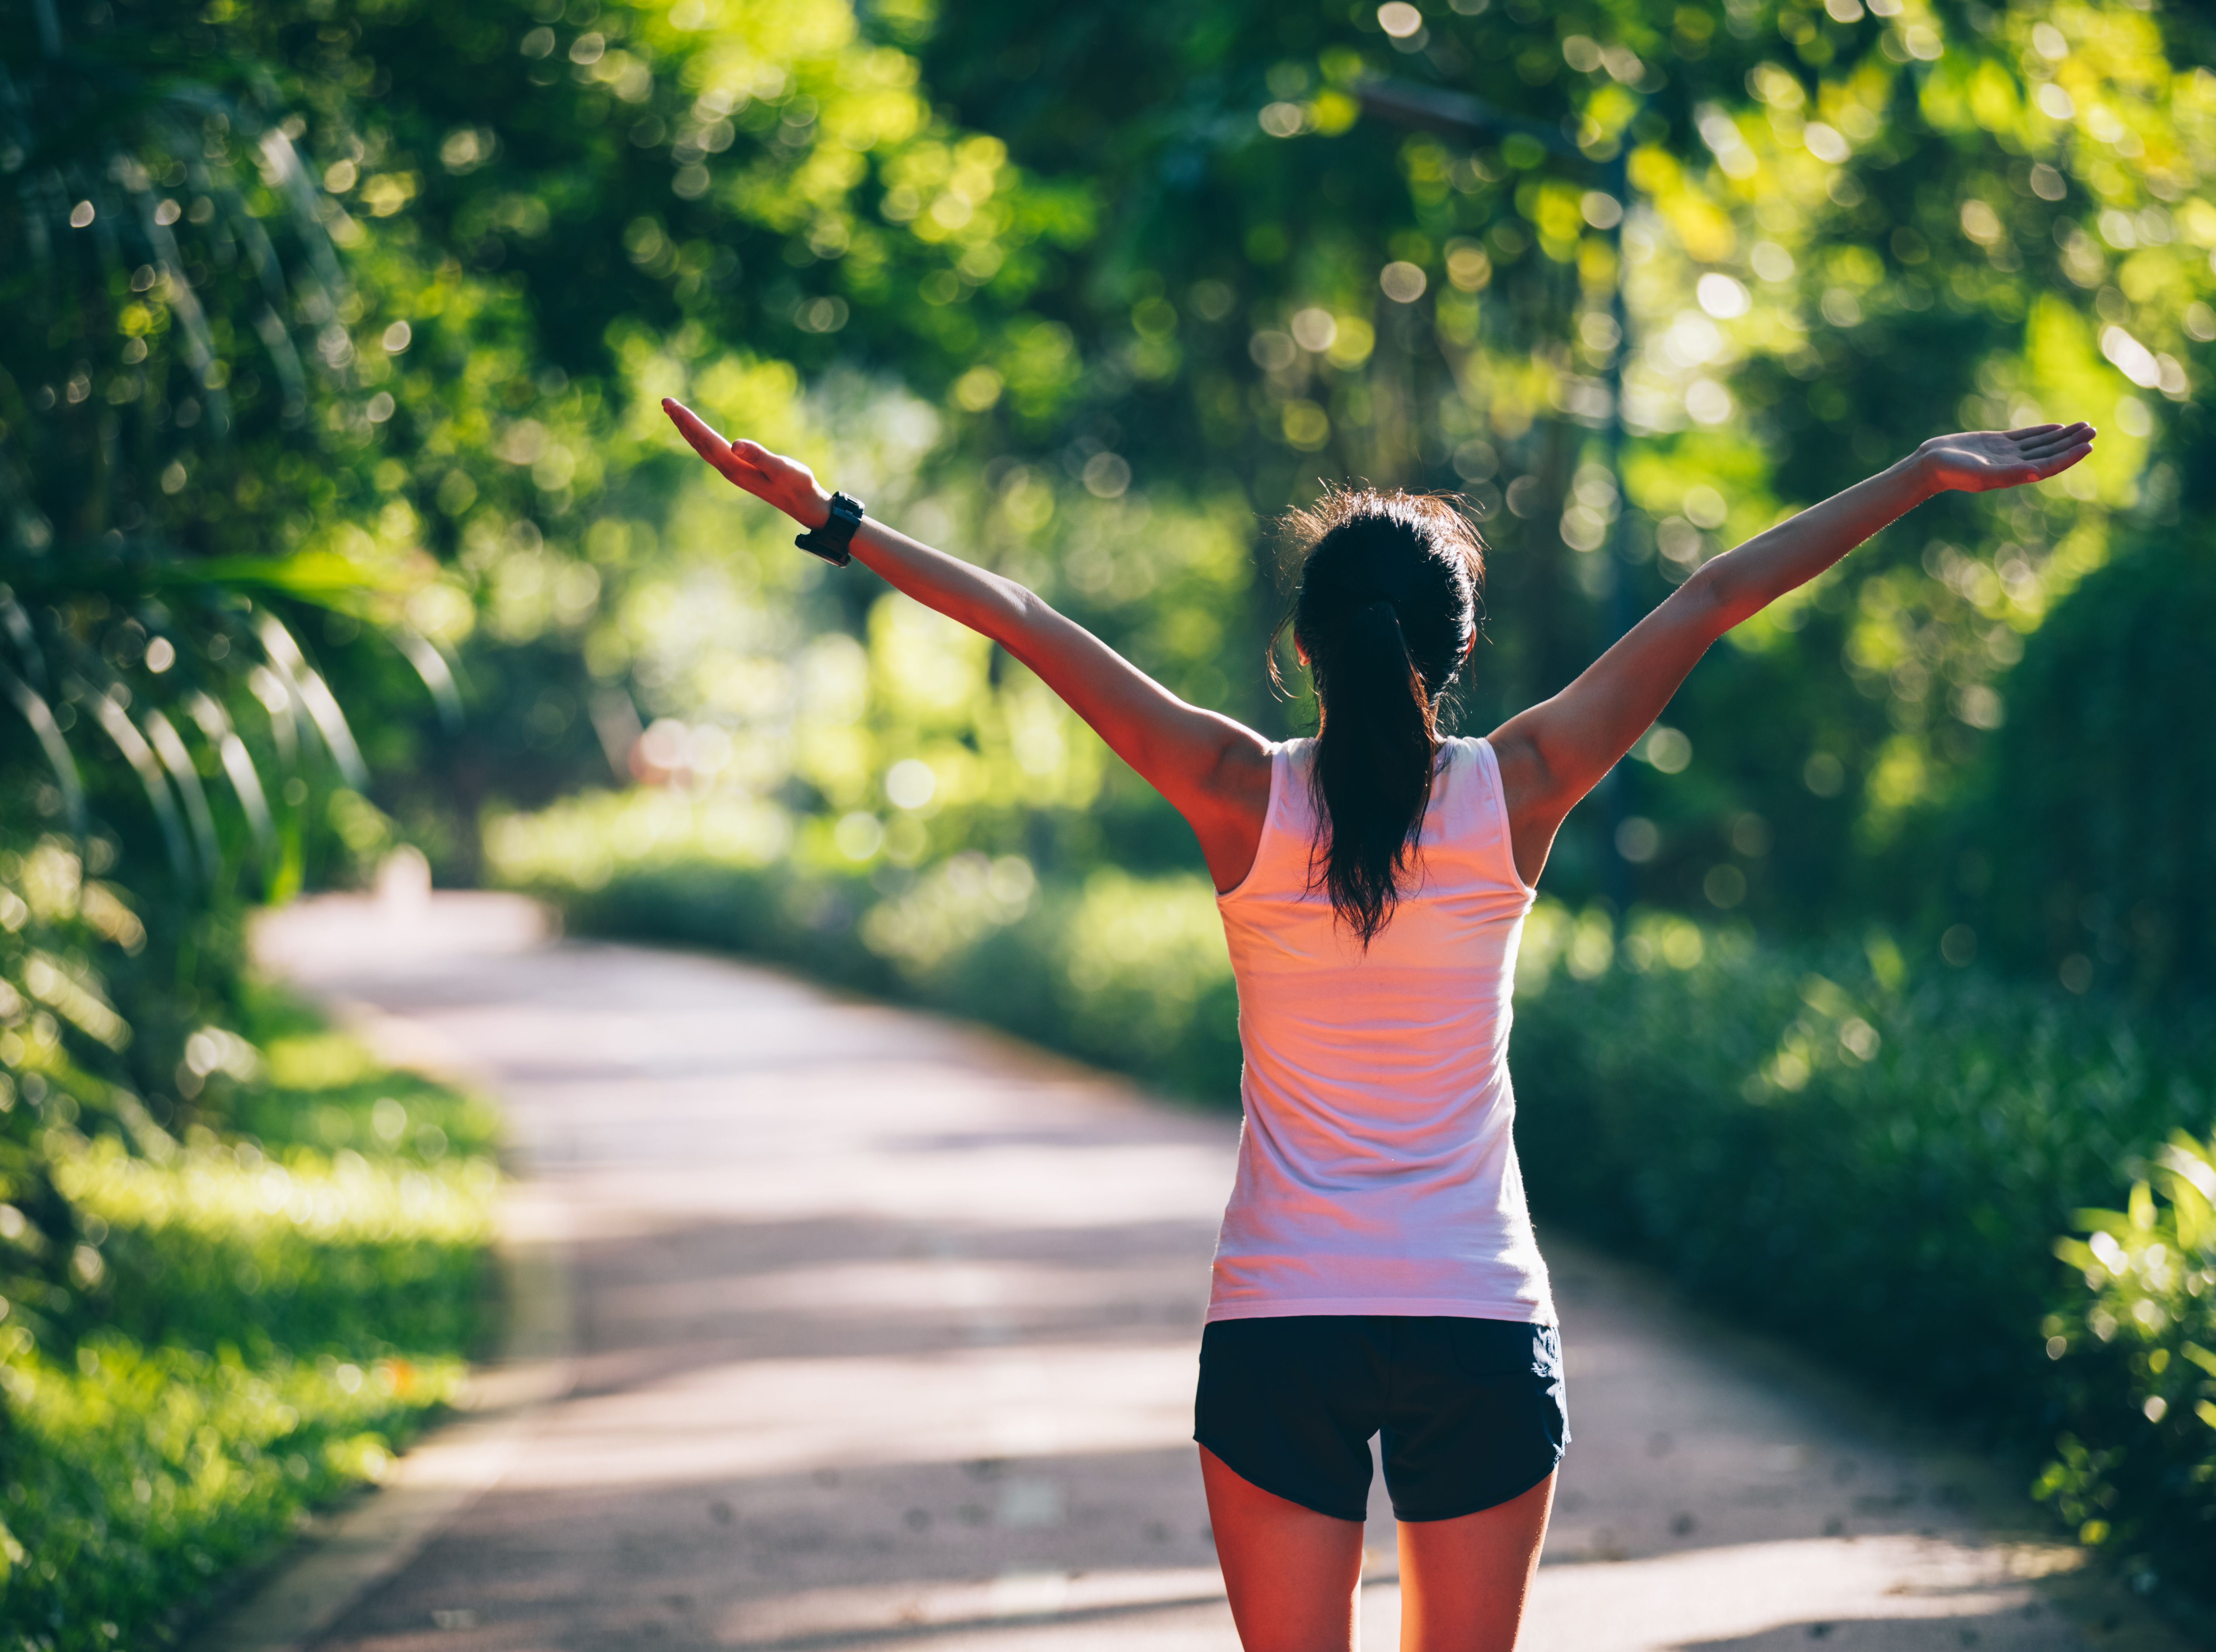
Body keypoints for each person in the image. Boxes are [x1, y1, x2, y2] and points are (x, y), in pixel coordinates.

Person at [663, 395, 2095, 1652]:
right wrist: (1916, 473)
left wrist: (840, 521)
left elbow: (1032, 626)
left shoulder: (1238, 791)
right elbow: (1708, 598)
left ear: (1302, 649)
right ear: (1457, 647)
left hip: (1281, 1325)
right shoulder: (1518, 786)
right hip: (1477, 1323)